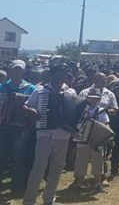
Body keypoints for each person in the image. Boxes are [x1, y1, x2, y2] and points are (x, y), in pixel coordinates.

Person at [22, 65, 77, 205]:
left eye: (64, 74)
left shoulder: (70, 92)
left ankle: (49, 199)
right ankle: (29, 200)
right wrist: (33, 111)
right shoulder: (40, 91)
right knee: (38, 168)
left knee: (57, 169)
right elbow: (26, 105)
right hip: (44, 133)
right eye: (59, 74)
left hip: (63, 135)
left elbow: (75, 112)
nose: (61, 77)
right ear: (52, 75)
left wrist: (74, 126)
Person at [0, 59, 36, 198]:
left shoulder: (31, 88)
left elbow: (35, 107)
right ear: (10, 70)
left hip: (20, 129)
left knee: (19, 158)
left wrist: (30, 111)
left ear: (24, 71)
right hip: (2, 127)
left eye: (19, 69)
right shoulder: (1, 87)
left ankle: (16, 187)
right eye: (14, 69)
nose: (17, 71)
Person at [73, 70, 118, 192]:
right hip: (83, 133)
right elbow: (76, 113)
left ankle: (98, 181)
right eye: (91, 98)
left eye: (96, 98)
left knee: (98, 157)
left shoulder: (107, 99)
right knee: (81, 157)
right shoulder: (83, 95)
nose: (94, 100)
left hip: (98, 134)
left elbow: (111, 116)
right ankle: (79, 181)